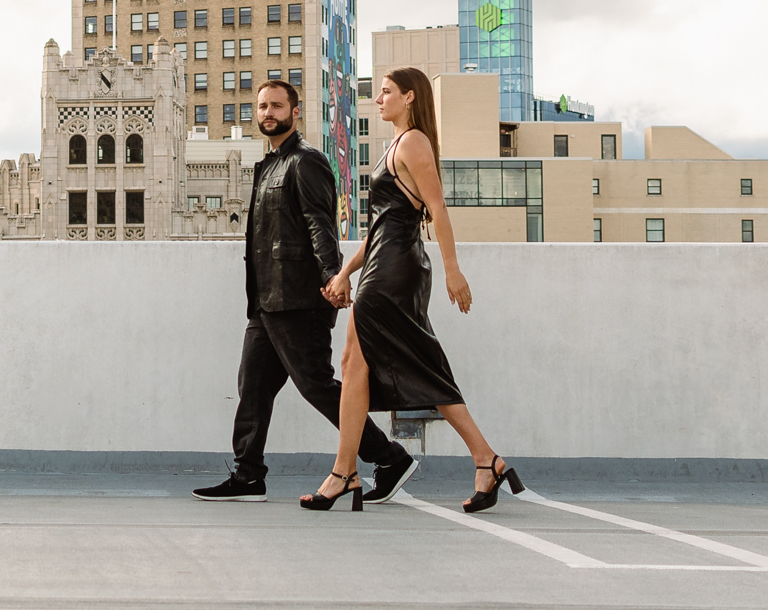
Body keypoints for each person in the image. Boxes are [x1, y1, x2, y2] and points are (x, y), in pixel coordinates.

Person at [306, 67, 523, 513]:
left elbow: (437, 206)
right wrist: (344, 272)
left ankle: (345, 473)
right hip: (383, 265)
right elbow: (381, 227)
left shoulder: (414, 142)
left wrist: (453, 270)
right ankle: (484, 460)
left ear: (409, 97)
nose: (378, 99)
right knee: (361, 364)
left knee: (389, 365)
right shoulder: (394, 146)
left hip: (397, 269)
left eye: (385, 92)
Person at [193, 78, 418, 504]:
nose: (267, 113)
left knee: (316, 384)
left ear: (295, 112)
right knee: (253, 385)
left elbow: (321, 224)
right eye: (261, 107)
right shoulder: (269, 164)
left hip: (299, 298)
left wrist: (335, 275)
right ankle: (248, 476)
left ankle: (389, 458)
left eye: (276, 106)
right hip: (265, 300)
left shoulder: (305, 161)